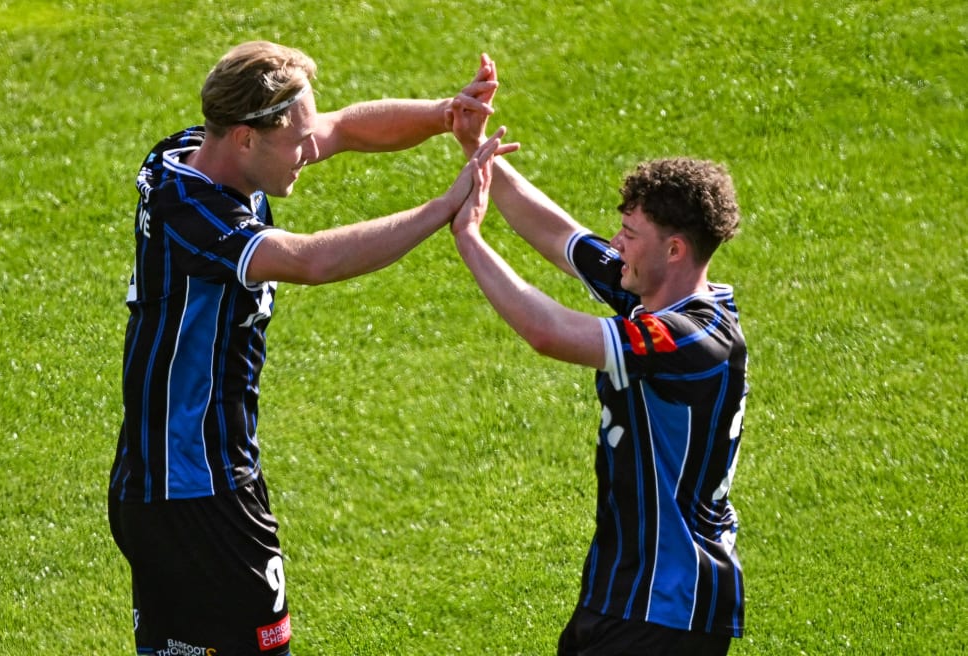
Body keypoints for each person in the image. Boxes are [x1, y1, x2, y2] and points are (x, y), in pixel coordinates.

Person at [108, 41, 513, 656]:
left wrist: (442, 114)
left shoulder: (200, 151)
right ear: (246, 137)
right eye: (297, 142)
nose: (311, 148)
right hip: (199, 489)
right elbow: (310, 260)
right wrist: (445, 207)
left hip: (168, 480)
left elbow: (343, 127)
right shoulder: (190, 209)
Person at [450, 55, 747, 656]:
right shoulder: (655, 293)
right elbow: (557, 234)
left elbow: (549, 333)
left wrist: (469, 239)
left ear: (675, 248)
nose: (616, 243)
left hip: (668, 608)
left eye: (629, 234)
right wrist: (476, 149)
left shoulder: (691, 338)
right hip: (622, 594)